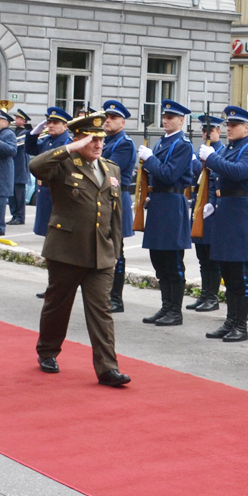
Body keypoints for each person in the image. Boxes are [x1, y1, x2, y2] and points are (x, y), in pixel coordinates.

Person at [27, 111, 132, 385]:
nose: (98, 144)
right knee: (58, 305)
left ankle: (107, 368)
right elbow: (36, 167)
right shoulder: (63, 163)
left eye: (101, 139)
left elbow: (115, 212)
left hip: (101, 252)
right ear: (77, 140)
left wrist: (115, 248)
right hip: (66, 250)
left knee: (101, 311)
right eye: (91, 139)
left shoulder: (111, 169)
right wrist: (68, 148)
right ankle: (47, 351)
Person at [198, 106, 248, 342]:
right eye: (228, 125)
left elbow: (238, 172)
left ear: (247, 128)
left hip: (242, 215)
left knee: (239, 275)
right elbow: (218, 178)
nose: (229, 128)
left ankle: (241, 325)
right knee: (227, 272)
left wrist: (212, 158)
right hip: (226, 214)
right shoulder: (229, 148)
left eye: (234, 125)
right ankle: (230, 321)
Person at [137, 100, 195, 327]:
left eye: (171, 117)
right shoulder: (163, 141)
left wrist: (150, 159)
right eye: (164, 116)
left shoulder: (182, 144)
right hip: (160, 201)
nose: (165, 120)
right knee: (158, 260)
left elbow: (169, 174)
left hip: (173, 204)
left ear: (181, 120)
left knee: (172, 261)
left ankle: (175, 310)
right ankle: (165, 306)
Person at [101, 100, 137, 313]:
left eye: (113, 118)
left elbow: (109, 169)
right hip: (103, 198)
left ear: (122, 122)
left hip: (116, 198)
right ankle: (105, 293)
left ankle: (116, 297)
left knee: (117, 249)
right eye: (107, 117)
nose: (108, 121)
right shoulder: (105, 140)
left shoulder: (123, 143)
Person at [187, 114, 224, 313]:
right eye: (204, 131)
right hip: (199, 207)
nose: (206, 134)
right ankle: (204, 294)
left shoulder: (220, 152)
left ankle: (213, 296)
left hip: (213, 209)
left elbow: (215, 176)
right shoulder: (200, 151)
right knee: (202, 256)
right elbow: (195, 174)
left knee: (212, 257)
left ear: (218, 132)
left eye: (210, 130)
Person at [25, 107, 72, 237]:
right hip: (44, 190)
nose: (51, 125)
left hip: (57, 190)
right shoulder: (48, 140)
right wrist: (34, 133)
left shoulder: (67, 143)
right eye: (49, 122)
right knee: (46, 231)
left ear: (65, 126)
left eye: (55, 123)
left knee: (57, 232)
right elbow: (30, 149)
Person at [0, 108, 18, 241]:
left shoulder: (8, 134)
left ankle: (0, 228)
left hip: (3, 173)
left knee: (0, 201)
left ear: (6, 122)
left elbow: (12, 150)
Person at [9, 111, 30, 224]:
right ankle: (14, 215)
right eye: (15, 118)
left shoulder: (26, 133)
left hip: (21, 167)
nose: (15, 120)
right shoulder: (13, 132)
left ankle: (20, 217)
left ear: (23, 121)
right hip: (13, 166)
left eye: (18, 118)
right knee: (12, 195)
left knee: (19, 195)